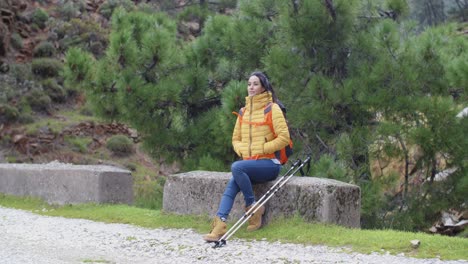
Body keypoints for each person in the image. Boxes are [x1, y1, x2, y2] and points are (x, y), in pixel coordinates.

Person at [203, 71, 291, 242]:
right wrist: (243, 150)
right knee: (232, 184)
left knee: (236, 167)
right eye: (249, 84)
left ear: (263, 87)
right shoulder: (243, 112)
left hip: (269, 164)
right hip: (249, 164)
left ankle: (252, 206)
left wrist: (264, 147)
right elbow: (235, 139)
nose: (251, 87)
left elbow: (284, 137)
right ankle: (219, 225)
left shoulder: (272, 108)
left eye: (255, 84)